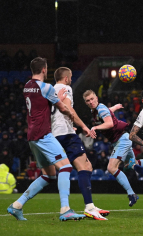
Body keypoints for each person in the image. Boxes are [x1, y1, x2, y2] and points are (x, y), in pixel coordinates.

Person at [7, 57, 85, 221]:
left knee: (49, 175)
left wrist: (54, 97)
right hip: (43, 134)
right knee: (65, 167)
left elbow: (40, 105)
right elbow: (63, 108)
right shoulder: (47, 87)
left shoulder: (27, 86)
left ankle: (17, 205)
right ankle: (65, 209)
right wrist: (71, 116)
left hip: (32, 136)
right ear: (44, 70)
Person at [51, 67, 109, 220]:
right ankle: (89, 207)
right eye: (70, 77)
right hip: (66, 134)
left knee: (86, 166)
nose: (71, 79)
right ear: (66, 78)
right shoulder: (65, 88)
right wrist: (83, 127)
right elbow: (68, 108)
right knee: (83, 166)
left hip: (55, 133)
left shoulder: (50, 91)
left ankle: (19, 203)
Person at [83, 90, 139, 207]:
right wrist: (114, 108)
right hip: (122, 138)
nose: (91, 102)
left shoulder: (100, 108)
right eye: (88, 101)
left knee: (111, 167)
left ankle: (131, 194)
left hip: (121, 139)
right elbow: (106, 112)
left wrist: (95, 127)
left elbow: (110, 124)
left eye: (92, 99)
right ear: (86, 103)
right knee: (132, 165)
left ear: (96, 99)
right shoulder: (97, 110)